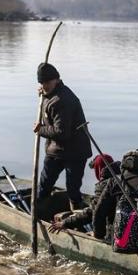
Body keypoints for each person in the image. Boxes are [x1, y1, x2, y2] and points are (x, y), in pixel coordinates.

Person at [33, 63, 92, 210]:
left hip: (75, 152)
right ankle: (37, 213)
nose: (44, 85)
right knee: (44, 184)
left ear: (56, 80)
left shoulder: (63, 100)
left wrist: (40, 129)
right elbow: (49, 100)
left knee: (72, 189)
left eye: (47, 82)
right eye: (41, 83)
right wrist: (44, 94)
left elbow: (61, 132)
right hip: (56, 150)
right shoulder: (50, 94)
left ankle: (77, 218)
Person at [47, 153, 119, 237]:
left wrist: (65, 223)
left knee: (82, 225)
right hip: (122, 226)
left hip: (112, 230)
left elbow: (92, 213)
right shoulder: (122, 179)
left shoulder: (104, 185)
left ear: (98, 169)